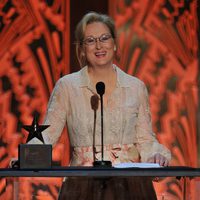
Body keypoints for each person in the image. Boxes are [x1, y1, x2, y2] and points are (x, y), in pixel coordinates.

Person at [30, 11, 171, 200]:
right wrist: (27, 155)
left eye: (104, 38)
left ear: (114, 44)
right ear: (81, 48)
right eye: (90, 40)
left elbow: (145, 140)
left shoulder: (135, 87)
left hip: (130, 186)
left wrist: (156, 156)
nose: (98, 46)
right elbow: (47, 134)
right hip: (82, 185)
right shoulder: (67, 86)